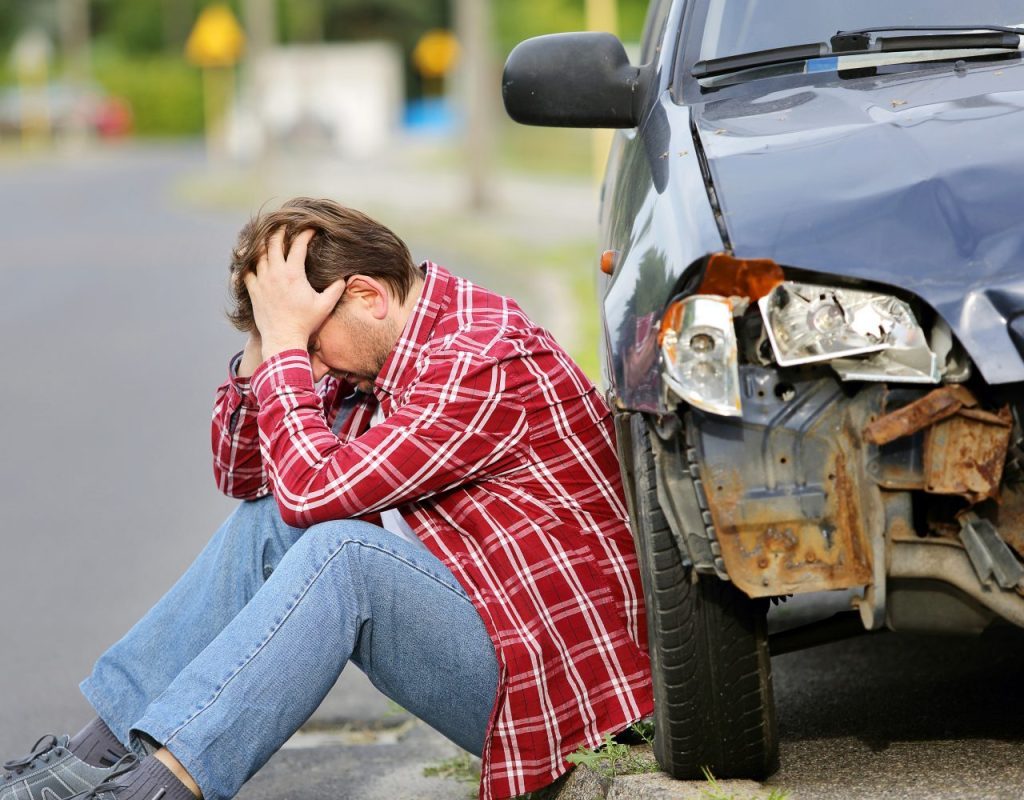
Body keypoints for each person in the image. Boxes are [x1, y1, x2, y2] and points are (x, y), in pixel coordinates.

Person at [1, 198, 653, 800]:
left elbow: (314, 490)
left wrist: (288, 346)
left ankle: (156, 791)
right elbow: (246, 475)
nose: (308, 367)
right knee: (267, 524)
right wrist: (268, 349)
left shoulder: (482, 358)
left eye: (312, 342)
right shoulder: (376, 356)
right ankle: (91, 760)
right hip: (507, 659)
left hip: (574, 701)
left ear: (368, 296)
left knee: (345, 555)